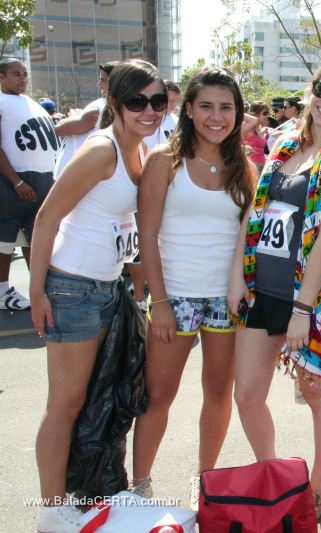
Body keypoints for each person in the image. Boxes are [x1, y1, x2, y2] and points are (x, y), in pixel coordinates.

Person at [229, 55, 321, 519]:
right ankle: (271, 474)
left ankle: (318, 485)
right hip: (259, 289)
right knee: (247, 394)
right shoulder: (286, 144)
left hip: (306, 299)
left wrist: (301, 310)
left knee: (317, 392)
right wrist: (237, 274)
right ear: (311, 89)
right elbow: (256, 211)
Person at [28, 59, 165, 532]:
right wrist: (37, 291)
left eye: (157, 101)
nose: (149, 110)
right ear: (115, 103)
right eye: (137, 101)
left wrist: (137, 287)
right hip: (72, 287)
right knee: (65, 403)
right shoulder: (102, 150)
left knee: (89, 399)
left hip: (107, 287)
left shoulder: (140, 149)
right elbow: (47, 217)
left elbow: (125, 227)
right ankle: (51, 507)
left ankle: (75, 493)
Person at [130, 67, 255, 511]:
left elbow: (246, 241)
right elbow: (146, 236)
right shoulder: (164, 160)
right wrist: (158, 302)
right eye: (206, 106)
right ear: (189, 109)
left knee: (218, 393)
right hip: (174, 297)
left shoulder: (246, 168)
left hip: (225, 302)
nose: (216, 116)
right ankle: (139, 484)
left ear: (238, 113)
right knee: (158, 396)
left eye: (226, 107)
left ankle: (205, 483)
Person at [0, 58, 58, 311]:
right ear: (2, 77)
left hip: (41, 180)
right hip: (15, 181)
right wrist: (16, 180)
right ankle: (2, 291)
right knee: (5, 239)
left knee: (32, 238)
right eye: (16, 74)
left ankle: (39, 287)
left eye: (24, 74)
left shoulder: (29, 102)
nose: (23, 79)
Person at [54, 62, 118, 178]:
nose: (99, 84)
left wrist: (72, 118)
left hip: (74, 178)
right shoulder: (115, 108)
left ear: (114, 83)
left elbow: (59, 129)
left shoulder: (98, 109)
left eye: (103, 80)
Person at [143, 80, 181, 151]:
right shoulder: (149, 120)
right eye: (171, 101)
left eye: (176, 101)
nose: (174, 105)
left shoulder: (176, 119)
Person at [241, 100, 269, 173]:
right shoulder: (248, 128)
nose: (267, 116)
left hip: (262, 168)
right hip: (251, 169)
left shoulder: (259, 128)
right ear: (256, 114)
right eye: (265, 113)